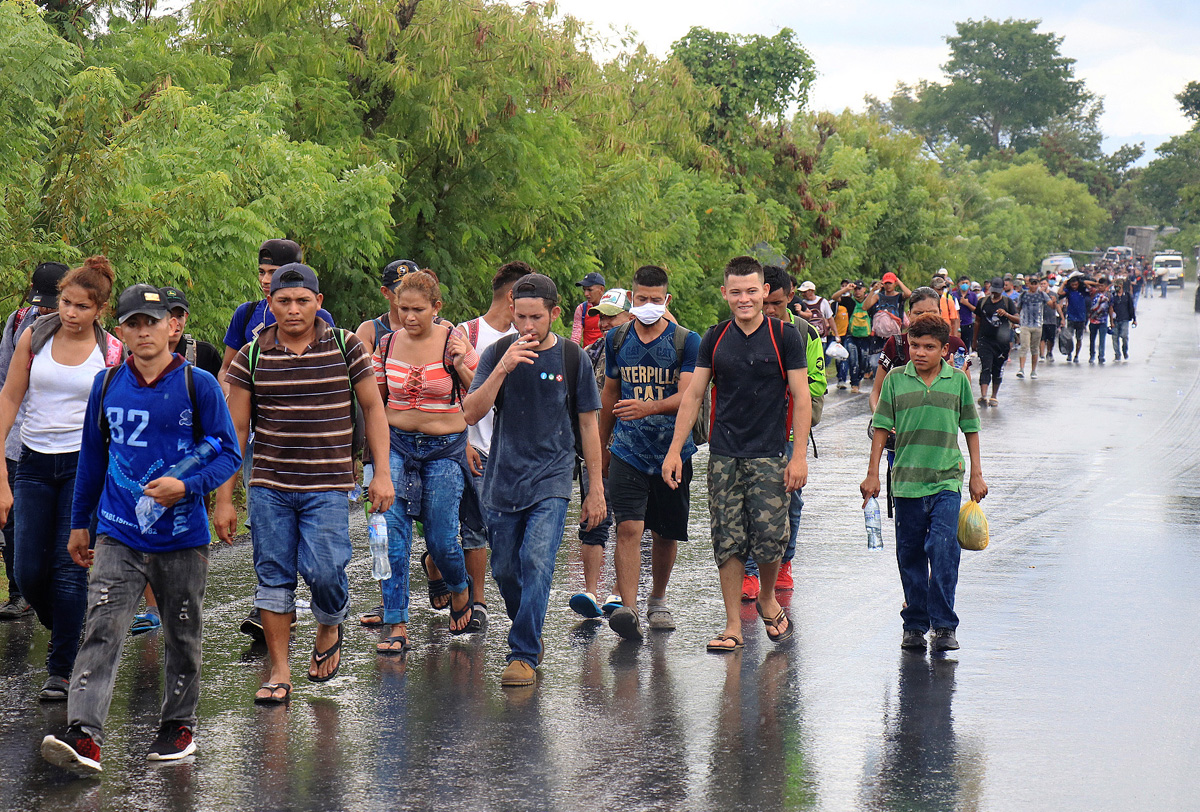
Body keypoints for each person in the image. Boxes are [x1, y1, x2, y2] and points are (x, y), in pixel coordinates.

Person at [39, 284, 241, 776]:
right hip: (117, 532)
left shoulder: (200, 385)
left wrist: (188, 485)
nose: (144, 332)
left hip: (182, 537)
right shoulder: (107, 386)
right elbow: (92, 459)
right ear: (122, 331)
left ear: (172, 326)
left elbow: (228, 452)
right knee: (103, 629)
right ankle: (84, 735)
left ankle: (179, 724)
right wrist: (79, 524)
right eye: (134, 324)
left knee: (182, 633)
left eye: (152, 322)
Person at [215, 263, 395, 704]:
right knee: (272, 577)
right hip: (269, 487)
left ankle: (329, 622)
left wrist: (383, 473)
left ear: (318, 302)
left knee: (326, 571)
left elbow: (373, 409)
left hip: (328, 486)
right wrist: (224, 498)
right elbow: (236, 430)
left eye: (302, 300)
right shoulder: (250, 355)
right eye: (283, 301)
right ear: (270, 304)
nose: (293, 309)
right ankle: (279, 669)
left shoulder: (344, 345)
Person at [662, 256, 810, 654]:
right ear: (725, 294)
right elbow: (693, 395)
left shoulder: (785, 337)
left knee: (770, 539)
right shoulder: (715, 338)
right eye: (736, 292)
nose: (744, 299)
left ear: (764, 292)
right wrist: (675, 450)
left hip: (770, 454)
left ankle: (765, 597)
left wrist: (799, 457)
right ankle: (732, 625)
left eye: (752, 291)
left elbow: (801, 396)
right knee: (727, 539)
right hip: (724, 454)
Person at [462, 273, 604, 687]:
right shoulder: (497, 353)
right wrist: (502, 369)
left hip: (552, 478)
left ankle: (522, 653)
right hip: (503, 478)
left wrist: (595, 489)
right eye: (520, 316)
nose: (527, 326)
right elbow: (470, 412)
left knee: (537, 560)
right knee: (505, 569)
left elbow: (589, 427)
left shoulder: (572, 358)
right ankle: (530, 630)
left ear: (554, 314)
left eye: (536, 317)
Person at [0, 256, 123, 701]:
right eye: (65, 303)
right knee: (27, 570)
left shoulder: (111, 352)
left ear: (99, 311)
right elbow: (10, 397)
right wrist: (0, 470)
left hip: (84, 466)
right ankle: (72, 626)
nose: (70, 313)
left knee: (70, 567)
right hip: (32, 462)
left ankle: (61, 669)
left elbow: (118, 415)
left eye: (82, 307)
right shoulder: (34, 336)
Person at [861, 313, 987, 653]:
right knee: (911, 555)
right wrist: (872, 473)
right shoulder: (896, 381)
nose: (920, 353)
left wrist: (976, 473)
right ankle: (915, 625)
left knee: (944, 550)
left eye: (929, 347)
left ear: (945, 349)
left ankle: (944, 625)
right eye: (914, 345)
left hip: (946, 479)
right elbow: (881, 428)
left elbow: (970, 428)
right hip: (906, 482)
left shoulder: (957, 381)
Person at [372, 270, 478, 655]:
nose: (409, 317)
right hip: (397, 446)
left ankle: (459, 585)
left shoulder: (454, 340)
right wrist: (368, 457)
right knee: (391, 536)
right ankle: (396, 621)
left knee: (441, 538)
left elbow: (479, 394)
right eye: (403, 309)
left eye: (418, 310)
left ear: (437, 308)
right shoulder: (385, 344)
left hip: (445, 449)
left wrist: (459, 362)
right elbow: (374, 403)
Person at [596, 267, 698, 640]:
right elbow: (609, 395)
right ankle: (629, 607)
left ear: (667, 300)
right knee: (628, 526)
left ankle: (657, 599)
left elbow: (688, 397)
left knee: (665, 531)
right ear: (632, 299)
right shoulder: (619, 338)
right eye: (642, 299)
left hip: (673, 451)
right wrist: (602, 446)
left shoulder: (687, 341)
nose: (649, 305)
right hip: (627, 449)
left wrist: (647, 407)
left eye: (656, 300)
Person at [742, 265, 827, 602]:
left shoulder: (806, 334)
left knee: (790, 499)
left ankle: (784, 563)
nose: (771, 309)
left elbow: (817, 384)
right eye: (767, 302)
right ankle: (750, 571)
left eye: (778, 302)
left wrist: (784, 388)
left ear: (791, 297)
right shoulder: (746, 330)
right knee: (750, 501)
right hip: (751, 431)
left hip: (790, 433)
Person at [453, 261, 527, 628]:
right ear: (512, 296)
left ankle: (515, 602)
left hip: (516, 450)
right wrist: (463, 440)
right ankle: (477, 602)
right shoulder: (466, 332)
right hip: (477, 445)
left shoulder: (527, 337)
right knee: (475, 528)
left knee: (508, 530)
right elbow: (456, 394)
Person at [352, 258, 418, 629]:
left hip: (429, 442)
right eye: (398, 293)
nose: (406, 301)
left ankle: (437, 572)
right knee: (383, 525)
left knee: (432, 528)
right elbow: (360, 389)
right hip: (382, 441)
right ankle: (389, 603)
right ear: (386, 294)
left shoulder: (440, 329)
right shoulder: (370, 330)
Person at [0, 261, 67, 621]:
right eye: (41, 302)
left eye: (51, 303)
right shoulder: (17, 322)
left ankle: (64, 593)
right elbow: (4, 382)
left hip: (60, 439)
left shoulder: (82, 329)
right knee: (11, 520)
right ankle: (18, 592)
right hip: (17, 435)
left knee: (60, 522)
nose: (46, 310)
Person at [568, 288, 629, 620]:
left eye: (612, 316)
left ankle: (620, 592)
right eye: (601, 316)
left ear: (629, 316)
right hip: (595, 450)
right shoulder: (589, 354)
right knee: (592, 517)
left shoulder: (642, 352)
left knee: (629, 523)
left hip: (634, 451)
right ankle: (590, 591)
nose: (605, 323)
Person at [218, 239, 335, 393]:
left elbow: (334, 368)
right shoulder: (246, 313)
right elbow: (227, 370)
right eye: (261, 272)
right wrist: (232, 401)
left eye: (273, 272)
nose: (265, 280)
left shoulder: (319, 316)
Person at [870, 287, 968, 414]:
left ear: (940, 313)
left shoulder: (955, 346)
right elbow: (876, 392)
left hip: (939, 425)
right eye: (919, 313)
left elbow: (966, 401)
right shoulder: (895, 344)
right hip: (900, 424)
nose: (925, 318)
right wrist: (880, 420)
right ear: (909, 314)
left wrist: (954, 378)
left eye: (932, 312)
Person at [973, 277, 1019, 407]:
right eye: (993, 290)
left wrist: (1006, 314)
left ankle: (994, 396)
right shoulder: (983, 302)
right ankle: (983, 396)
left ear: (1002, 289)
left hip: (1001, 342)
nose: (995, 293)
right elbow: (977, 321)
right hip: (985, 340)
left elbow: (1017, 320)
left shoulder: (1007, 302)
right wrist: (974, 341)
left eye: (998, 291)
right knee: (986, 366)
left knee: (997, 369)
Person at [1016, 277, 1051, 380]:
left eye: (1036, 284)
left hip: (1037, 325)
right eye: (1032, 284)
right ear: (1028, 284)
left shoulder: (1042, 295)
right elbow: (1018, 308)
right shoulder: (1023, 295)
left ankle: (1033, 370)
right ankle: (1021, 369)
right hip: (1025, 324)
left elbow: (1051, 305)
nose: (1034, 286)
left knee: (1034, 348)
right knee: (1024, 346)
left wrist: (1053, 302)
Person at [843, 281, 873, 393]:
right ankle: (854, 383)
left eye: (859, 289)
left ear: (864, 289)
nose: (857, 291)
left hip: (866, 337)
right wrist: (846, 289)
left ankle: (859, 378)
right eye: (855, 289)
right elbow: (835, 297)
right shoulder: (850, 302)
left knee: (864, 361)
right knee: (853, 360)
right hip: (852, 336)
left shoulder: (869, 302)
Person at [1059, 273, 1089, 364]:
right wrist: (1064, 284)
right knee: (1069, 337)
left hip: (1081, 318)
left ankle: (1076, 355)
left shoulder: (1083, 291)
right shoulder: (1068, 291)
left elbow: (1091, 287)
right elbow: (1059, 293)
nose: (1074, 286)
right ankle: (1069, 353)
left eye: (1076, 284)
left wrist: (1083, 282)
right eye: (1072, 285)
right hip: (1071, 317)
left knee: (1079, 338)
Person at [570, 272, 606, 347]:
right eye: (584, 290)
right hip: (588, 354)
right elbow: (576, 336)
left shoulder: (610, 308)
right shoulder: (582, 309)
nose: (586, 294)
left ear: (601, 289)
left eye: (590, 290)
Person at [1087, 277, 1113, 365]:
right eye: (1099, 286)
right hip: (1093, 320)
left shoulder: (1109, 295)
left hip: (1103, 321)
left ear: (1106, 286)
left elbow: (1110, 308)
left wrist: (1111, 321)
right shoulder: (1094, 293)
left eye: (1102, 286)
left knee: (1102, 339)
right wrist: (1095, 284)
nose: (1100, 287)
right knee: (1092, 339)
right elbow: (1085, 283)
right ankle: (1092, 355)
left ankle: (1101, 356)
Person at [1110, 277, 1136, 362]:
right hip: (1115, 320)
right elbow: (1110, 308)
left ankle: (1125, 351)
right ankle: (1117, 354)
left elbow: (1131, 307)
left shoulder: (1127, 295)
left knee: (1124, 336)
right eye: (1116, 286)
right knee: (1115, 338)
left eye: (1119, 286)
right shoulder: (1112, 296)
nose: (1117, 288)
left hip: (1125, 319)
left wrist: (1134, 319)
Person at [952, 275, 977, 354]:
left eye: (967, 283)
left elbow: (976, 310)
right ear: (958, 284)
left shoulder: (972, 295)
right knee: (955, 346)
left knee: (966, 347)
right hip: (956, 324)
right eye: (963, 283)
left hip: (968, 324)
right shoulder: (953, 295)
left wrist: (967, 304)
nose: (965, 285)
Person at [1039, 279, 1060, 363]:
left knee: (1051, 339)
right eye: (1041, 284)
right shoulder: (1038, 295)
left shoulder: (1053, 294)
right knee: (1042, 338)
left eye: (1044, 283)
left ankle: (1049, 352)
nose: (1043, 285)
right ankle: (1041, 354)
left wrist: (1061, 317)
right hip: (1041, 319)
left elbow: (1057, 306)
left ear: (1047, 284)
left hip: (1051, 319)